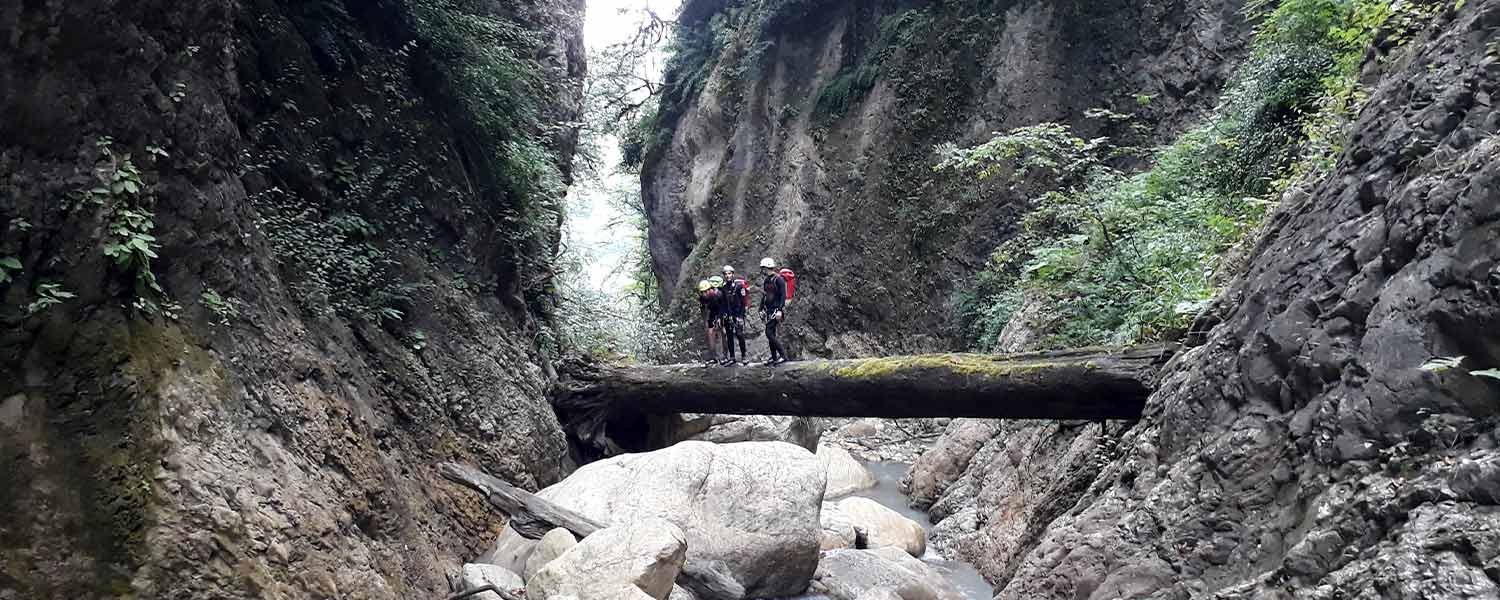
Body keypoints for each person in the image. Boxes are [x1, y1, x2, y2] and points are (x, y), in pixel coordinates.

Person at [758, 257, 788, 365]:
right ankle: (774, 357)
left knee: (769, 333)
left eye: (763, 268)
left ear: (767, 267)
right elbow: (765, 295)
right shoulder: (767, 280)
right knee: (771, 333)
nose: (762, 271)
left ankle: (783, 355)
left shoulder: (778, 279)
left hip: (776, 310)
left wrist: (780, 310)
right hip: (769, 310)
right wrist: (761, 308)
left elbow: (783, 296)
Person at [719, 265, 749, 365]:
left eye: (729, 273)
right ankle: (732, 357)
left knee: (740, 335)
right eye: (726, 274)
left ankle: (744, 356)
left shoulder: (738, 286)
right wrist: (722, 316)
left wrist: (740, 316)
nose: (727, 276)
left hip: (737, 315)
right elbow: (722, 304)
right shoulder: (723, 288)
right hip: (728, 316)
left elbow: (743, 303)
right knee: (729, 336)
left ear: (732, 274)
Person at [697, 279, 724, 365]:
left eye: (705, 292)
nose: (704, 294)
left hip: (722, 312)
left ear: (709, 290)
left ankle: (724, 355)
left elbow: (723, 307)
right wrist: (705, 321)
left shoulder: (717, 294)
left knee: (722, 332)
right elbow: (703, 310)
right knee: (710, 332)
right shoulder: (702, 298)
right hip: (712, 313)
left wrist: (720, 318)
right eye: (702, 292)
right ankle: (713, 355)